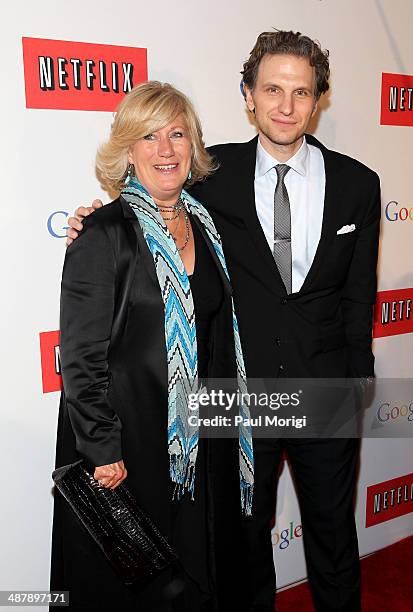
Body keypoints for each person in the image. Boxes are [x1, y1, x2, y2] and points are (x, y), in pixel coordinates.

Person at [67, 31, 381, 611]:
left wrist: (357, 384)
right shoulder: (212, 175)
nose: (286, 106)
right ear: (249, 96)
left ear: (319, 100)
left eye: (301, 92)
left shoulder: (360, 185)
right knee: (241, 544)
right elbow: (146, 204)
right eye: (272, 90)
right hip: (237, 399)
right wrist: (93, 213)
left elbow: (360, 299)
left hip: (327, 390)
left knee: (335, 538)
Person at [51, 80, 254, 612]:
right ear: (127, 151)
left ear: (193, 145)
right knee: (131, 590)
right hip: (127, 449)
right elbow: (79, 356)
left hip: (199, 444)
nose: (165, 150)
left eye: (177, 134)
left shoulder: (207, 228)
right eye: (149, 137)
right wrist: (101, 449)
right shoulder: (103, 233)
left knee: (191, 578)